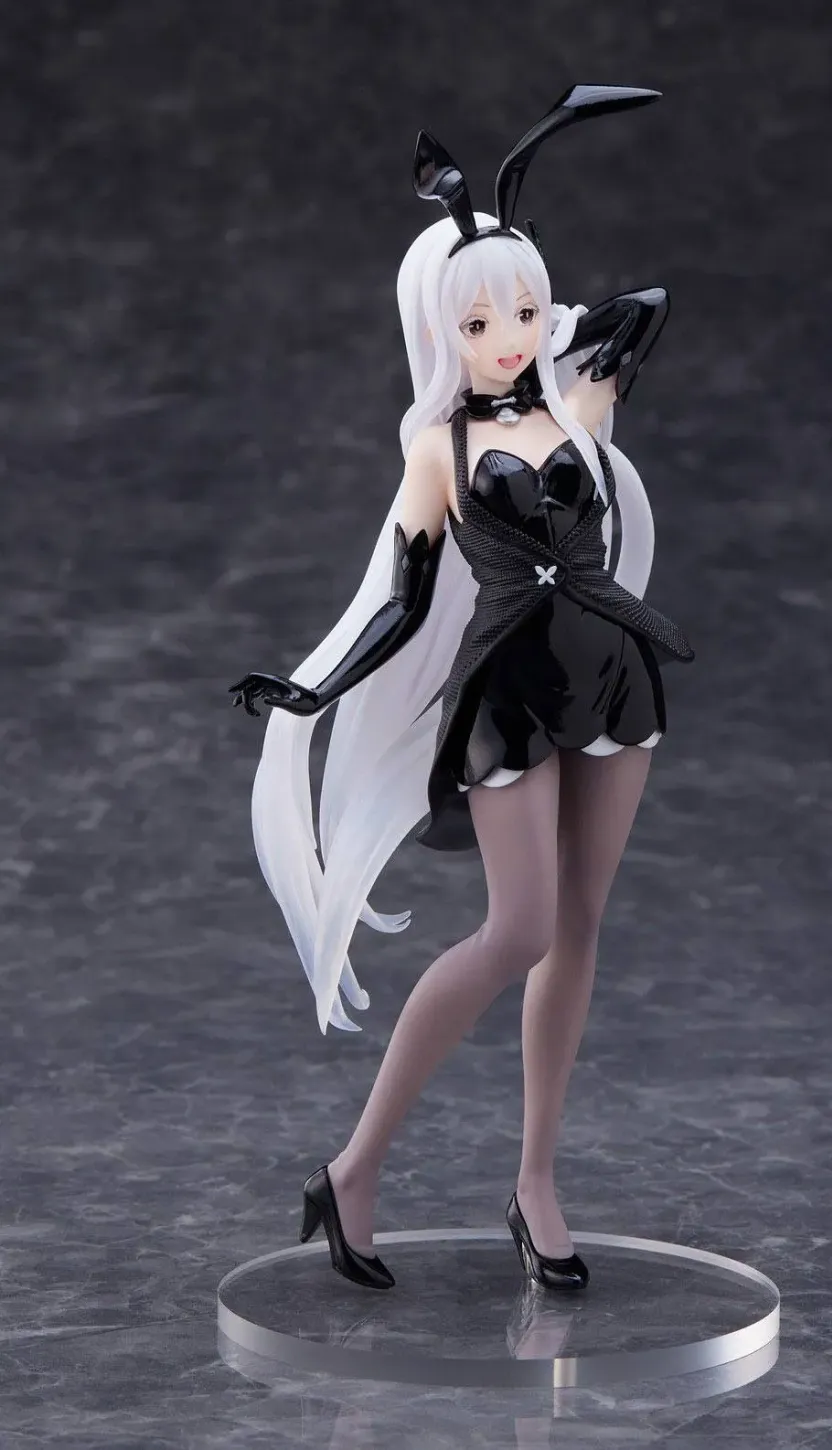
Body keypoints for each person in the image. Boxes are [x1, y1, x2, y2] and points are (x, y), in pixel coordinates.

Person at [228, 85, 694, 1294]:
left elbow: (646, 308)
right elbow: (397, 596)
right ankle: (354, 1166)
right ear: (441, 329)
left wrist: (520, 252)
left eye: (525, 311)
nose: (510, 334)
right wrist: (312, 692)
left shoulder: (576, 404)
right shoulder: (436, 450)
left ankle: (535, 1182)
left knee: (577, 929)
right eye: (481, 318)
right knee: (517, 928)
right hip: (509, 696)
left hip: (613, 678)